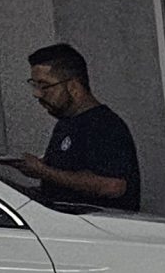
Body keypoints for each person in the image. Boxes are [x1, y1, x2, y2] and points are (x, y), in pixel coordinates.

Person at [13, 42, 141, 213]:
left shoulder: (104, 125)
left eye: (45, 86)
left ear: (73, 86)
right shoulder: (66, 124)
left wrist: (44, 171)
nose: (37, 94)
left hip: (98, 232)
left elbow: (113, 186)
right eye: (34, 85)